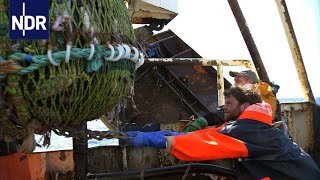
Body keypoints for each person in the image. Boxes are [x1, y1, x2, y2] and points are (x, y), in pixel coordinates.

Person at [125, 87, 320, 180]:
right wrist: (174, 135)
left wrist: (163, 141)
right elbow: (216, 133)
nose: (223, 107)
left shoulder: (249, 130)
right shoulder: (256, 126)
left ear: (245, 105)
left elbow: (206, 145)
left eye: (229, 103)